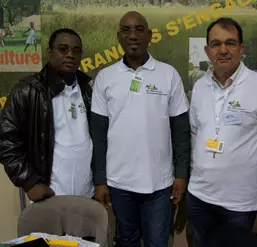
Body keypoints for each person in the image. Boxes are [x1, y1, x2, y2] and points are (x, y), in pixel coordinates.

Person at [187, 17, 257, 247]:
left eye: (230, 43)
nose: (223, 50)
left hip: (237, 205)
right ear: (207, 50)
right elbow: (195, 135)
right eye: (216, 44)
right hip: (198, 198)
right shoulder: (199, 87)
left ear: (241, 48)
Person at [90, 11, 190, 247]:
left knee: (157, 242)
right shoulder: (106, 77)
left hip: (159, 182)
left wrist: (181, 175)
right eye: (126, 30)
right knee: (127, 241)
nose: (132, 35)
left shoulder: (168, 75)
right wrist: (100, 180)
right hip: (119, 182)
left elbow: (181, 132)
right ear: (118, 37)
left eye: (138, 29)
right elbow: (99, 136)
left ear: (150, 35)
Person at [0, 28, 94, 202]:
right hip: (49, 196)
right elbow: (6, 141)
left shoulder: (87, 89)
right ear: (50, 52)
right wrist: (29, 181)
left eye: (76, 50)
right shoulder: (28, 90)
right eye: (63, 49)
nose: (70, 54)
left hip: (87, 194)